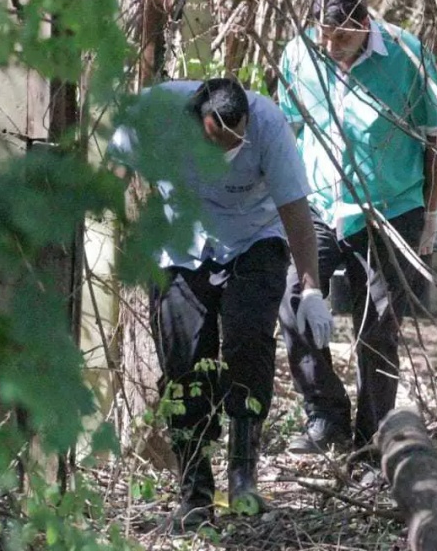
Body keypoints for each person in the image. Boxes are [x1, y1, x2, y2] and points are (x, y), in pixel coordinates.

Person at [108, 78, 334, 533]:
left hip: (256, 238)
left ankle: (243, 476)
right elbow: (110, 177)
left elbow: (296, 213)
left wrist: (310, 289)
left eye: (236, 142)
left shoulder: (269, 125)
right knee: (183, 362)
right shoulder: (157, 112)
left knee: (248, 340)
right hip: (181, 243)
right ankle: (194, 492)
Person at [276, 0, 437, 454]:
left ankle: (371, 437)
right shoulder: (299, 55)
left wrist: (430, 216)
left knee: (377, 324)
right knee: (295, 300)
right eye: (324, 36)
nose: (331, 48)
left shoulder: (406, 55)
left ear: (365, 25)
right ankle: (325, 415)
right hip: (318, 201)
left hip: (390, 206)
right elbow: (287, 132)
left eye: (343, 38)